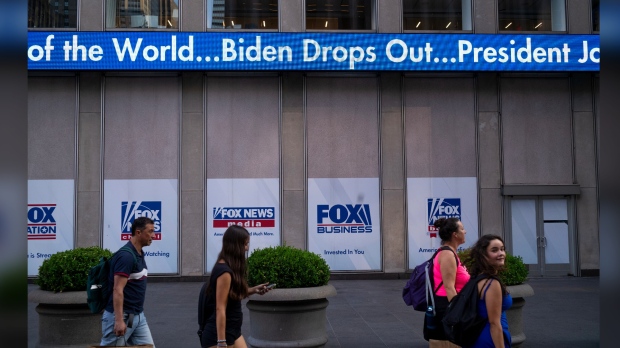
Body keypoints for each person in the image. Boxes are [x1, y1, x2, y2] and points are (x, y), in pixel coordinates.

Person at [201, 225, 270, 348]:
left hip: (233, 331)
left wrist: (254, 290)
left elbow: (231, 295)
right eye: (245, 244)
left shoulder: (230, 268)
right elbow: (220, 308)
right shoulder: (224, 272)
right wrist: (221, 342)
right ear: (235, 246)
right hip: (219, 335)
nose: (247, 248)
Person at [100, 216, 156, 346]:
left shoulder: (139, 253)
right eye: (150, 231)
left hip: (136, 316)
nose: (153, 235)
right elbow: (117, 289)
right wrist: (119, 320)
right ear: (138, 232)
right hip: (121, 316)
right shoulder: (126, 257)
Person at [425, 217, 470, 348]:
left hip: (448, 305)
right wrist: (458, 313)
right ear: (455, 234)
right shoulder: (447, 255)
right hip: (446, 306)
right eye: (462, 229)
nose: (465, 231)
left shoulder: (450, 253)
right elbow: (449, 287)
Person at [463, 234, 512, 348]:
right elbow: (494, 323)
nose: (501, 253)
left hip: (478, 336)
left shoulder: (478, 277)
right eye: (494, 250)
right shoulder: (491, 283)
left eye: (502, 249)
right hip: (490, 339)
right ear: (483, 255)